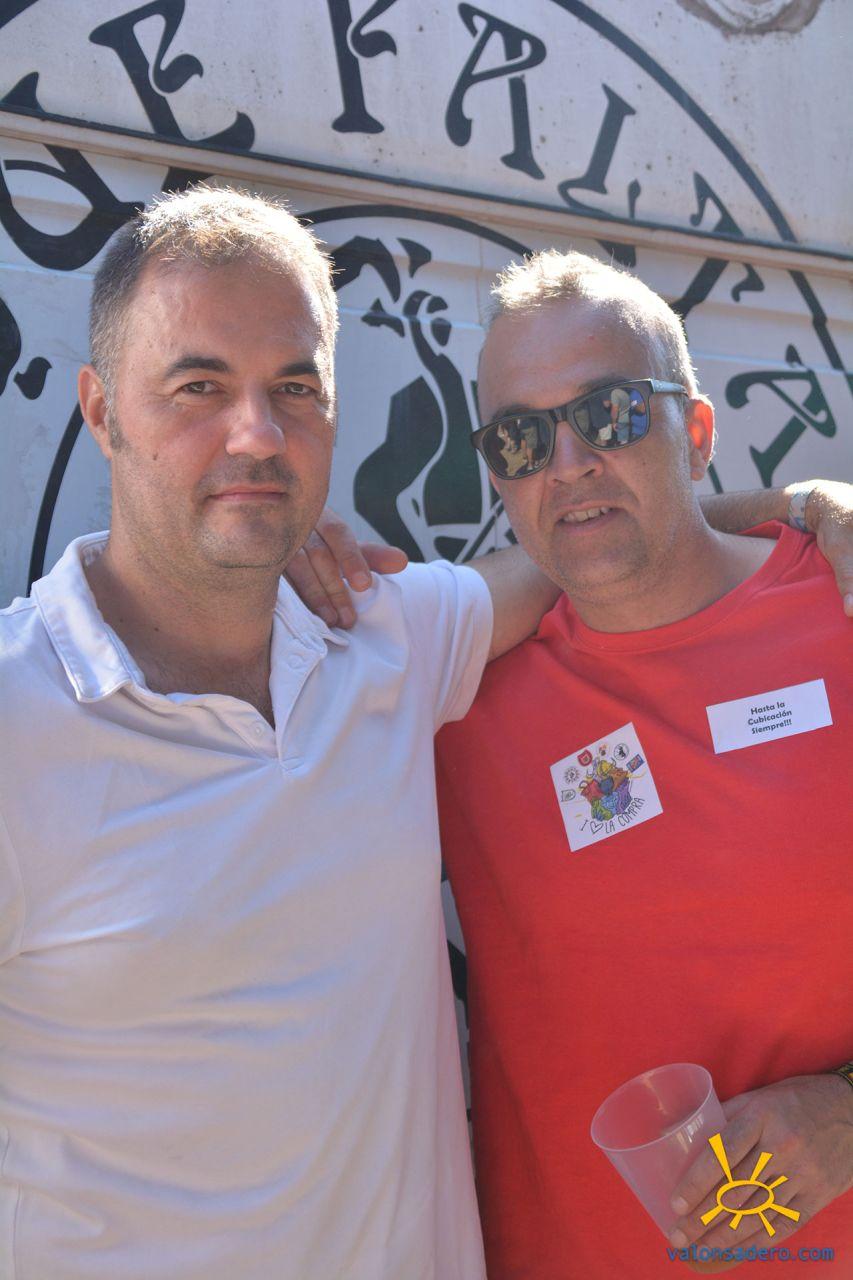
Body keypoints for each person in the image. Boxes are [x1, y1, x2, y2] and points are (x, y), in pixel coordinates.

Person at [0, 185, 568, 1280]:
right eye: (199, 386)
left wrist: (798, 510)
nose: (257, 434)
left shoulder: (380, 636)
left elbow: (583, 552)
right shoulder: (16, 721)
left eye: (295, 387)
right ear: (102, 412)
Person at [435, 250, 853, 1279]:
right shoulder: (450, 696)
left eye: (612, 413)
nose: (569, 461)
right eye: (522, 438)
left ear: (695, 431)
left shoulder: (841, 611)